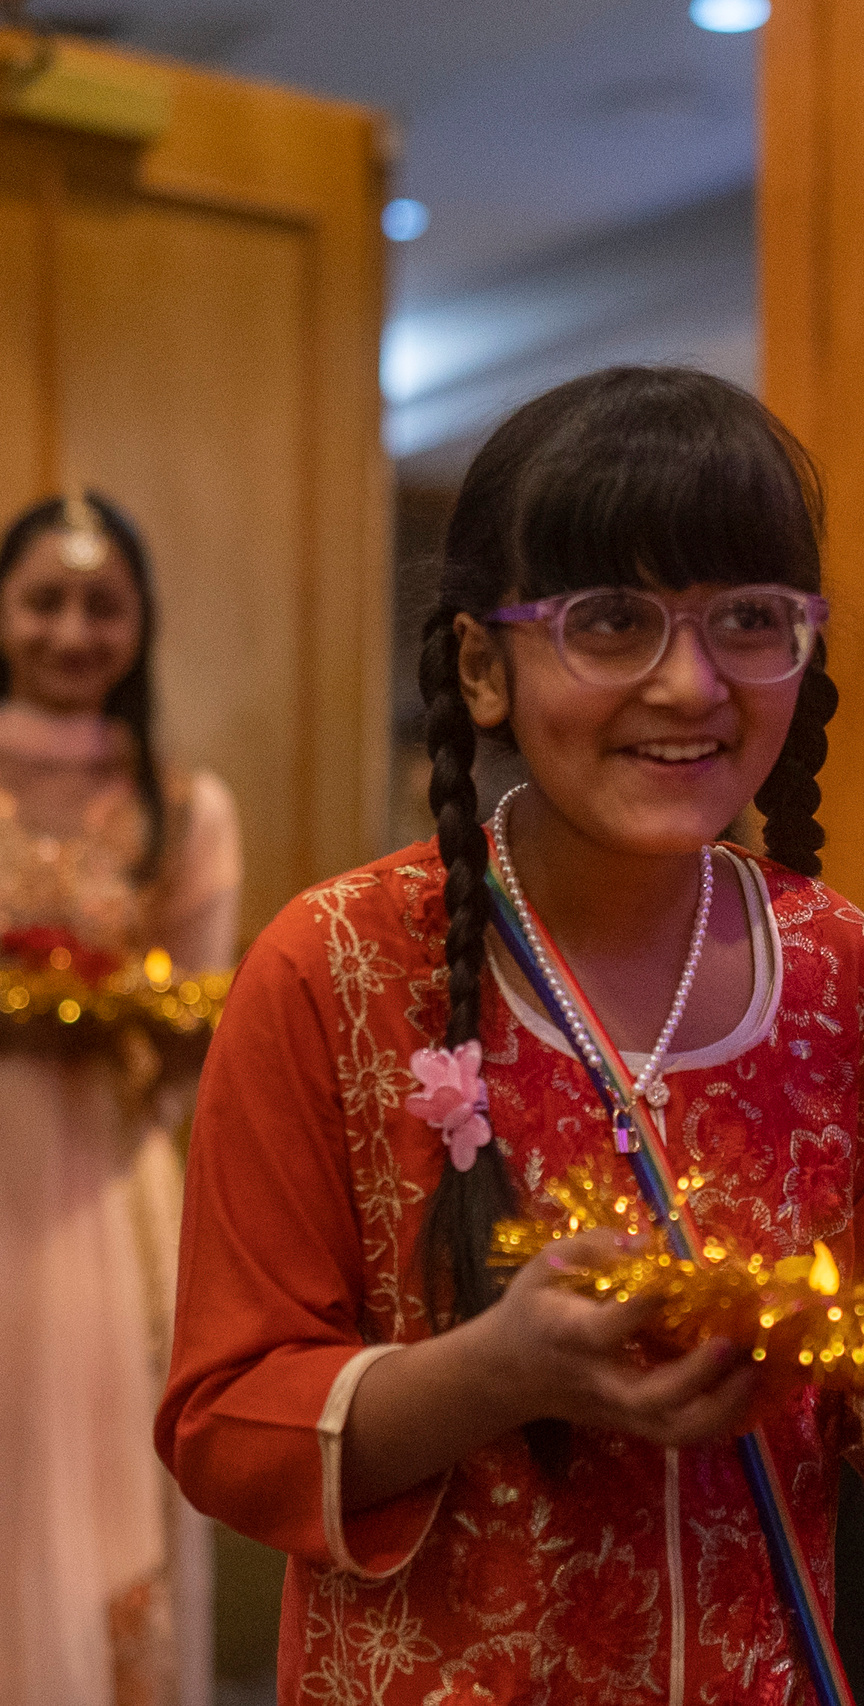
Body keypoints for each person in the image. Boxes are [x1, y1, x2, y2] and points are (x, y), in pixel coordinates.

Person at [156, 368, 864, 1703]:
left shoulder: (836, 969)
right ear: (482, 663)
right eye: (612, 622)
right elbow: (224, 1416)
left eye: (749, 620)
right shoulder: (337, 964)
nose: (689, 682)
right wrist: (494, 1372)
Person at [0, 491, 237, 1706]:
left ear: (141, 624)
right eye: (45, 598)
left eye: (104, 604)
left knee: (100, 1460)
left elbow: (199, 1021)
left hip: (108, 1176)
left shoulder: (182, 808)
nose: (72, 630)